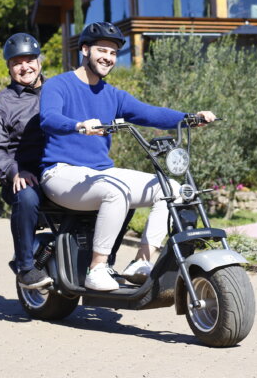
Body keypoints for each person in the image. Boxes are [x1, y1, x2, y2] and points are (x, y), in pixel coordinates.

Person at [39, 22, 215, 291]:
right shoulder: (58, 85)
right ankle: (96, 269)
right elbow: (49, 118)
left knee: (172, 189)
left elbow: (150, 113)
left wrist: (189, 118)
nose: (108, 58)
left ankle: (142, 261)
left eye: (112, 53)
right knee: (116, 192)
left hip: (99, 173)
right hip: (60, 173)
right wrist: (78, 125)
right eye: (102, 50)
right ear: (85, 49)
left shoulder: (113, 95)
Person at [0, 33, 51, 290]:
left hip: (60, 171)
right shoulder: (1, 104)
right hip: (24, 176)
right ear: (9, 68)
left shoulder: (57, 92)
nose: (25, 67)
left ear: (40, 62)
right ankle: (25, 267)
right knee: (27, 196)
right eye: (17, 62)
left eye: (30, 60)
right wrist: (14, 171)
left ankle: (99, 264)